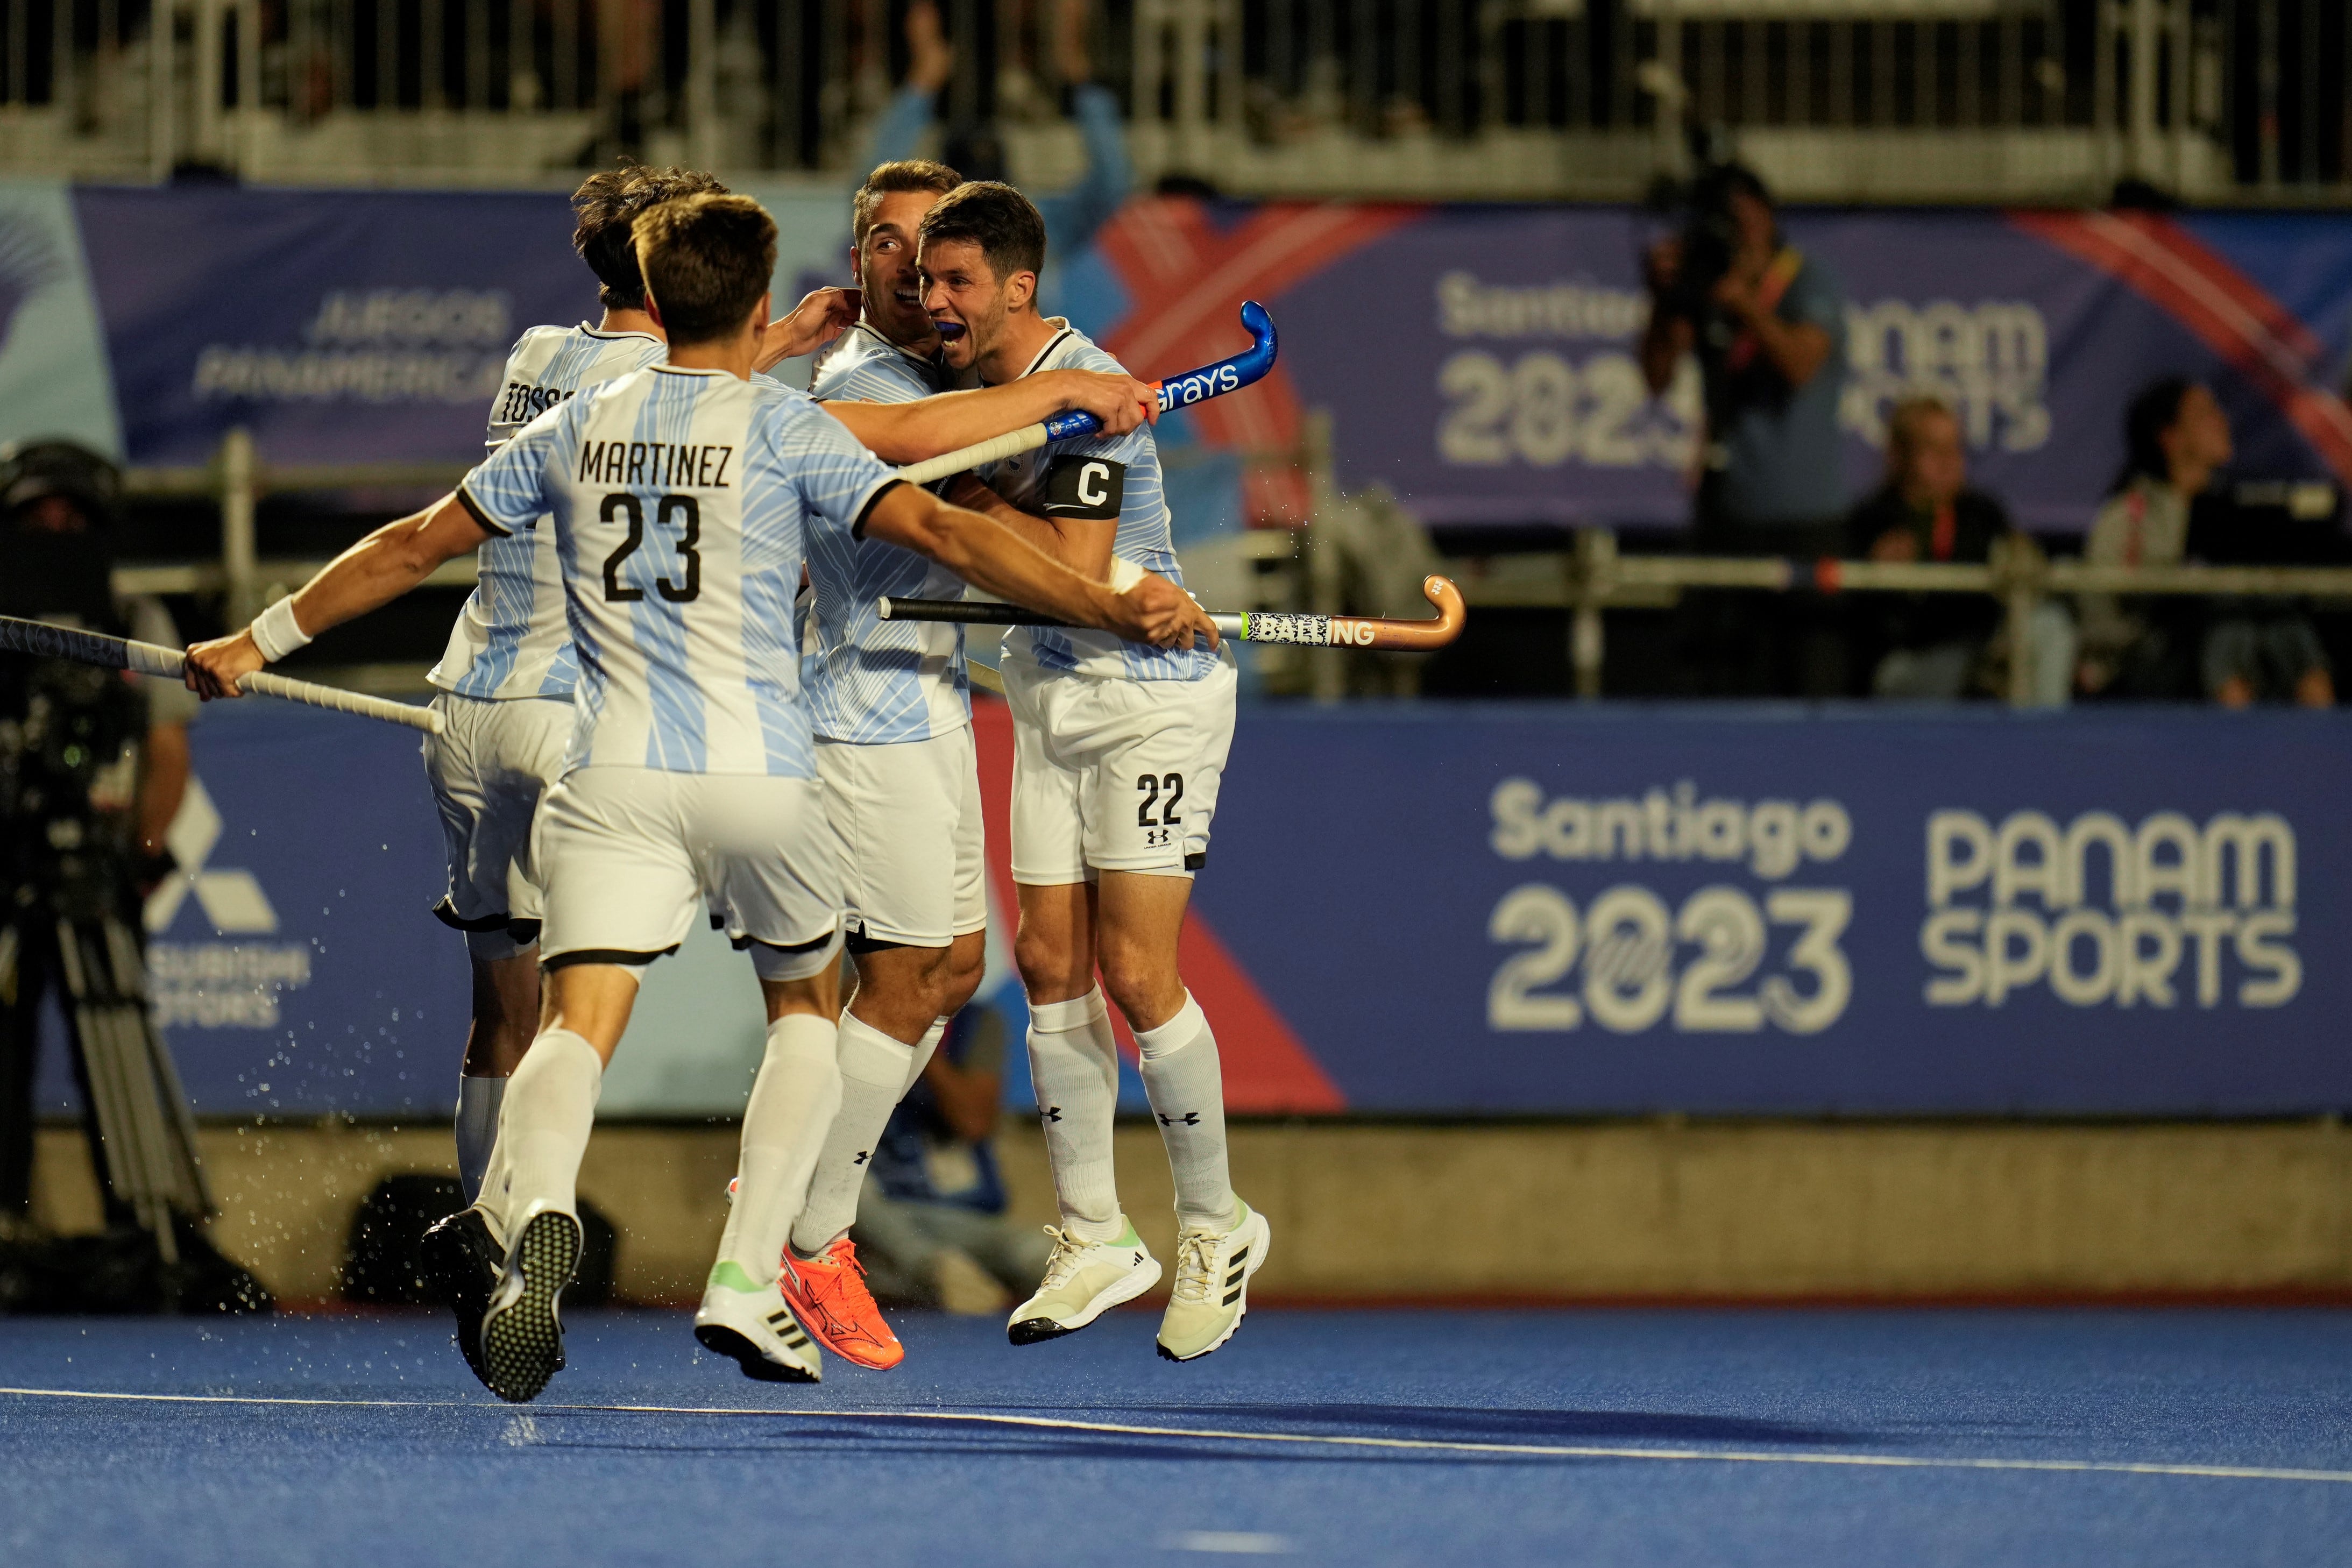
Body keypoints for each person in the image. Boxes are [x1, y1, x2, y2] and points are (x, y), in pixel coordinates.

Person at [183, 191, 1208, 1402]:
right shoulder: (786, 426)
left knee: (573, 1020)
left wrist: (258, 639)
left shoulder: (576, 419)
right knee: (807, 1014)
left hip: (608, 776)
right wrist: (1103, 602)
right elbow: (943, 530)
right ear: (765, 305)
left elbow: (412, 543)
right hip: (757, 780)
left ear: (653, 301)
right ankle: (742, 1278)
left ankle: (527, 1209)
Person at [418, 164, 858, 1232]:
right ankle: (728, 1242)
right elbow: (696, 390)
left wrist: (777, 338)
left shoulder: (535, 356)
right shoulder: (690, 389)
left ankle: (492, 1225)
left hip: (469, 702)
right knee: (604, 1004)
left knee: (502, 1017)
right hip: (584, 714)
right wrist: (785, 347)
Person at [916, 180, 1269, 1363]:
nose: (935, 301)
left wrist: (954, 509)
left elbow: (1063, 562)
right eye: (925, 281)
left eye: (956, 281)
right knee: (1050, 962)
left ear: (1019, 286)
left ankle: (1219, 1223)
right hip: (1049, 689)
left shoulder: (1092, 391)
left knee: (1130, 964)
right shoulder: (973, 387)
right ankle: (1093, 1233)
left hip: (1150, 699)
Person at [769, 157, 984, 1373]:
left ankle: (798, 1182)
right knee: (902, 978)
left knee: (957, 966)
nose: (912, 263)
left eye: (934, 243)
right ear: (857, 266)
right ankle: (809, 1228)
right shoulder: (858, 380)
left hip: (928, 696)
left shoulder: (937, 371)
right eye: (890, 243)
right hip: (858, 708)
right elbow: (951, 500)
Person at [1640, 163, 1852, 696]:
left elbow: (1801, 365)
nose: (1737, 232)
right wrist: (1663, 301)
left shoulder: (1806, 278)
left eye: (1741, 217)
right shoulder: (1709, 279)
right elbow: (1656, 377)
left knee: (1809, 671)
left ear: (1764, 215)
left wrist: (1746, 306)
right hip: (1729, 515)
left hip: (1806, 518)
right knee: (1725, 675)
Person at [2077, 379, 2330, 707]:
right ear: (2171, 437)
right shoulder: (2129, 515)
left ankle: (2321, 732)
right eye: (2205, 414)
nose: (2222, 421)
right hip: (2159, 660)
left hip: (2248, 641)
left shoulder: (2242, 507)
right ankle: (2232, 731)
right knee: (2225, 625)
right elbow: (2099, 615)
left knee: (2283, 622)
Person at [1847, 398, 2074, 706]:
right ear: (1899, 456)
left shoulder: (1983, 513)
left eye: (1955, 448)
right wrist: (1882, 575)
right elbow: (1863, 627)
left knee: (2050, 625)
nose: (1948, 460)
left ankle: (2046, 737)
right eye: (1931, 448)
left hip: (1980, 648)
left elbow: (2011, 589)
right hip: (1914, 661)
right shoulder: (1873, 519)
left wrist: (2021, 559)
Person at [871, 1, 1130, 268]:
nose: (980, 224)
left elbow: (1112, 186)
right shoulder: (922, 241)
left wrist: (1076, 69)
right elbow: (874, 195)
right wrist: (922, 82)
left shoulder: (1035, 230)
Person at [848, 1001, 1054, 1312]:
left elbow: (974, 1123)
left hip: (957, 1215)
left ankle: (928, 1278)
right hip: (878, 1216)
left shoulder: (978, 1022)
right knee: (838, 1186)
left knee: (1041, 1254)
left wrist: (917, 1043)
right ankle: (934, 1271)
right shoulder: (847, 1020)